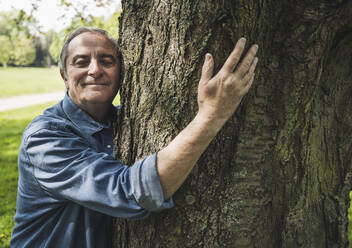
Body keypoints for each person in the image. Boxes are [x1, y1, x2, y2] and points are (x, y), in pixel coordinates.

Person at [10, 27, 258, 247]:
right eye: (81, 62)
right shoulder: (45, 138)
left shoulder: (123, 123)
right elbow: (130, 193)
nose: (94, 70)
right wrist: (211, 115)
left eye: (107, 61)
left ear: (121, 73)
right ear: (64, 75)